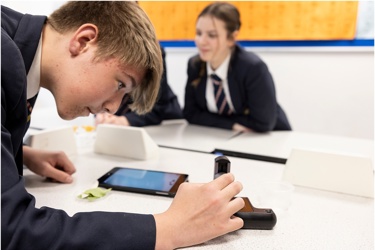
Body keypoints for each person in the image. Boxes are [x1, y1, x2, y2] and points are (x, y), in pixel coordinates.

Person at [1, 2, 245, 250]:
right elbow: (10, 230)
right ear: (83, 41)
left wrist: (22, 155)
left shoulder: (20, 55)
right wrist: (169, 228)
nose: (113, 108)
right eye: (121, 84)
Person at [183, 2, 291, 133]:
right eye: (199, 33)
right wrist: (231, 125)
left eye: (212, 35)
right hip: (224, 136)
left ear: (232, 38)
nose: (201, 41)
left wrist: (213, 120)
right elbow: (190, 113)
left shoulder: (252, 68)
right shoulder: (194, 64)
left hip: (271, 137)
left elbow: (263, 123)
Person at [95, 46, 183, 127]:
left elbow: (157, 108)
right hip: (119, 126)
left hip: (164, 123)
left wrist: (125, 120)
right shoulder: (104, 48)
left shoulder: (152, 52)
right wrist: (101, 113)